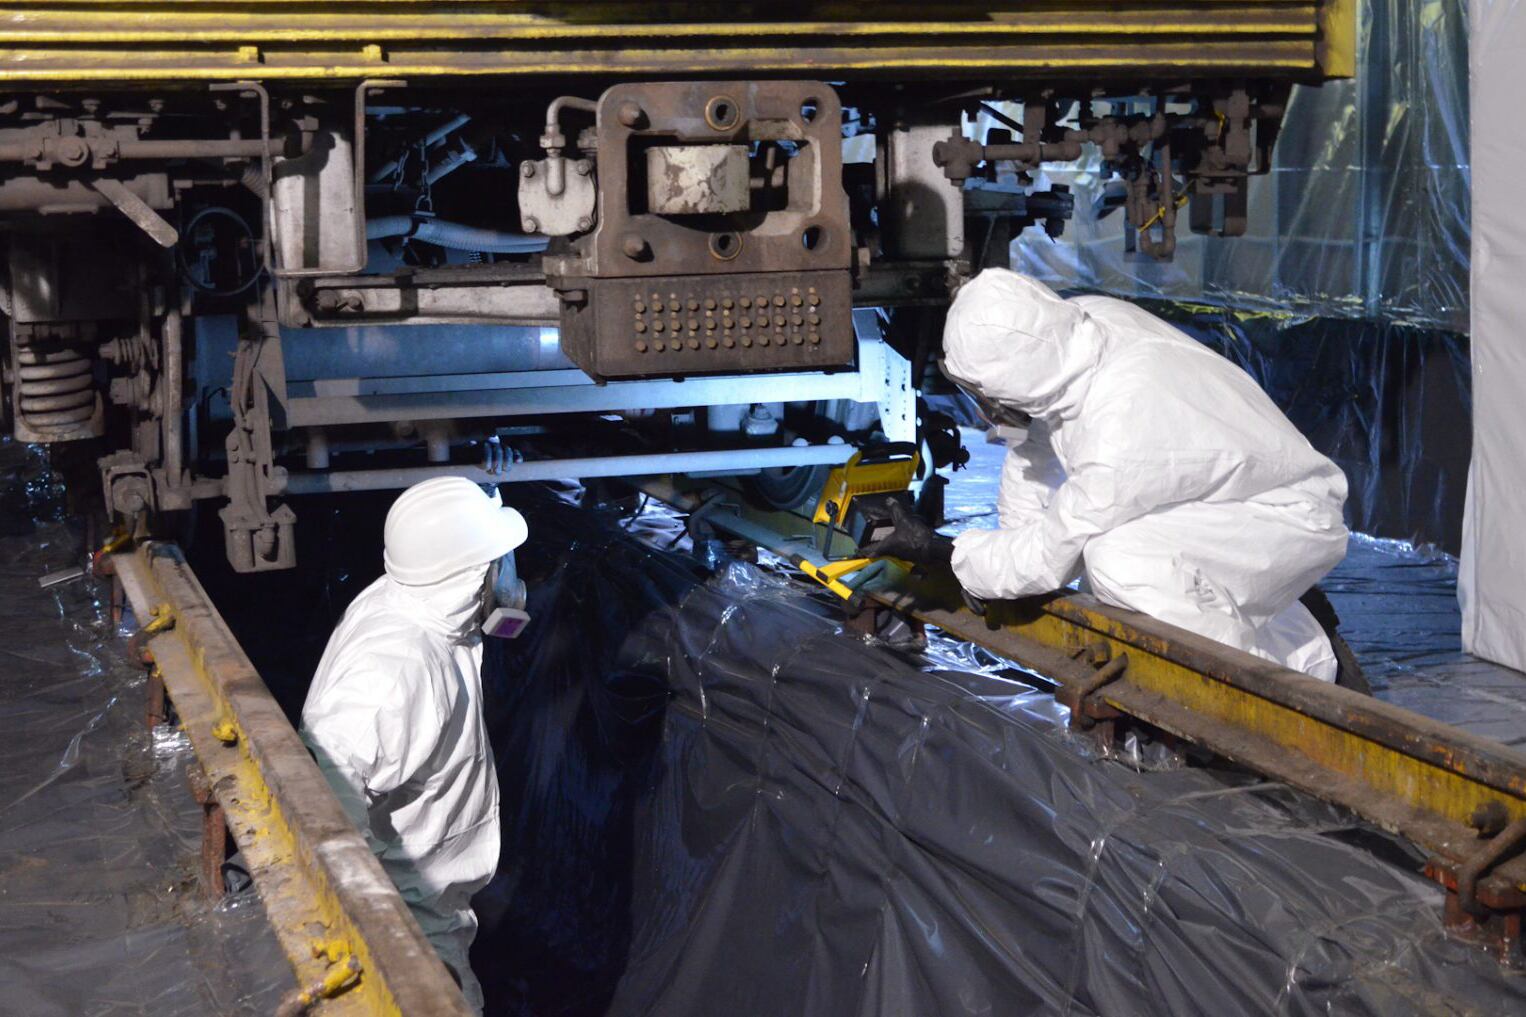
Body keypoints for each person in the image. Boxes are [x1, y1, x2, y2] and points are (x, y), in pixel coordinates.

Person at [866, 269, 1349, 681]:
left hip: (1286, 516)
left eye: (985, 393)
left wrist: (950, 555)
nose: (987, 406)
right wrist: (1003, 548)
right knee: (1125, 572)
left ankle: (1254, 689)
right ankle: (1305, 647)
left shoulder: (1117, 431)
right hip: (1246, 490)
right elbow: (1035, 451)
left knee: (1120, 563)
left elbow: (1052, 556)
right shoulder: (1083, 329)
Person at [301, 477, 531, 1011]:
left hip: (436, 897)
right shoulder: (396, 667)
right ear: (469, 575)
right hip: (411, 915)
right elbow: (324, 802)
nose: (511, 577)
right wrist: (385, 936)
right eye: (499, 562)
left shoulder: (425, 610)